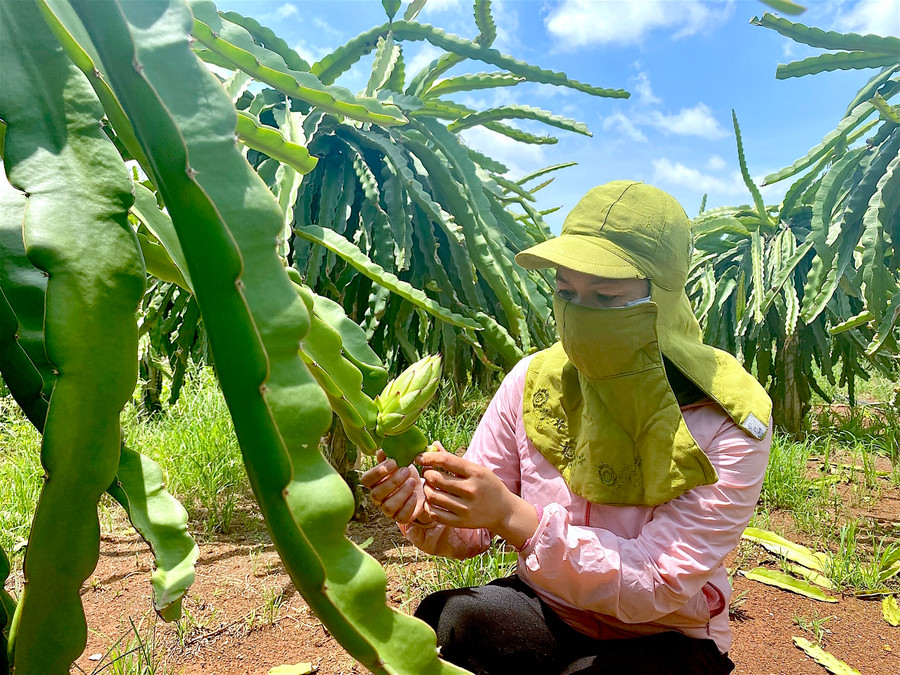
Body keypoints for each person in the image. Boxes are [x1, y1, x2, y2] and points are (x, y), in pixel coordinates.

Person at [361, 180, 772, 675]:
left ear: (661, 301)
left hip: (664, 631)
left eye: (606, 296)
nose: (579, 315)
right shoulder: (534, 381)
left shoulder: (729, 416)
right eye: (565, 292)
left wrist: (518, 519)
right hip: (552, 608)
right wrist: (429, 510)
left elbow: (659, 582)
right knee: (452, 621)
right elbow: (470, 530)